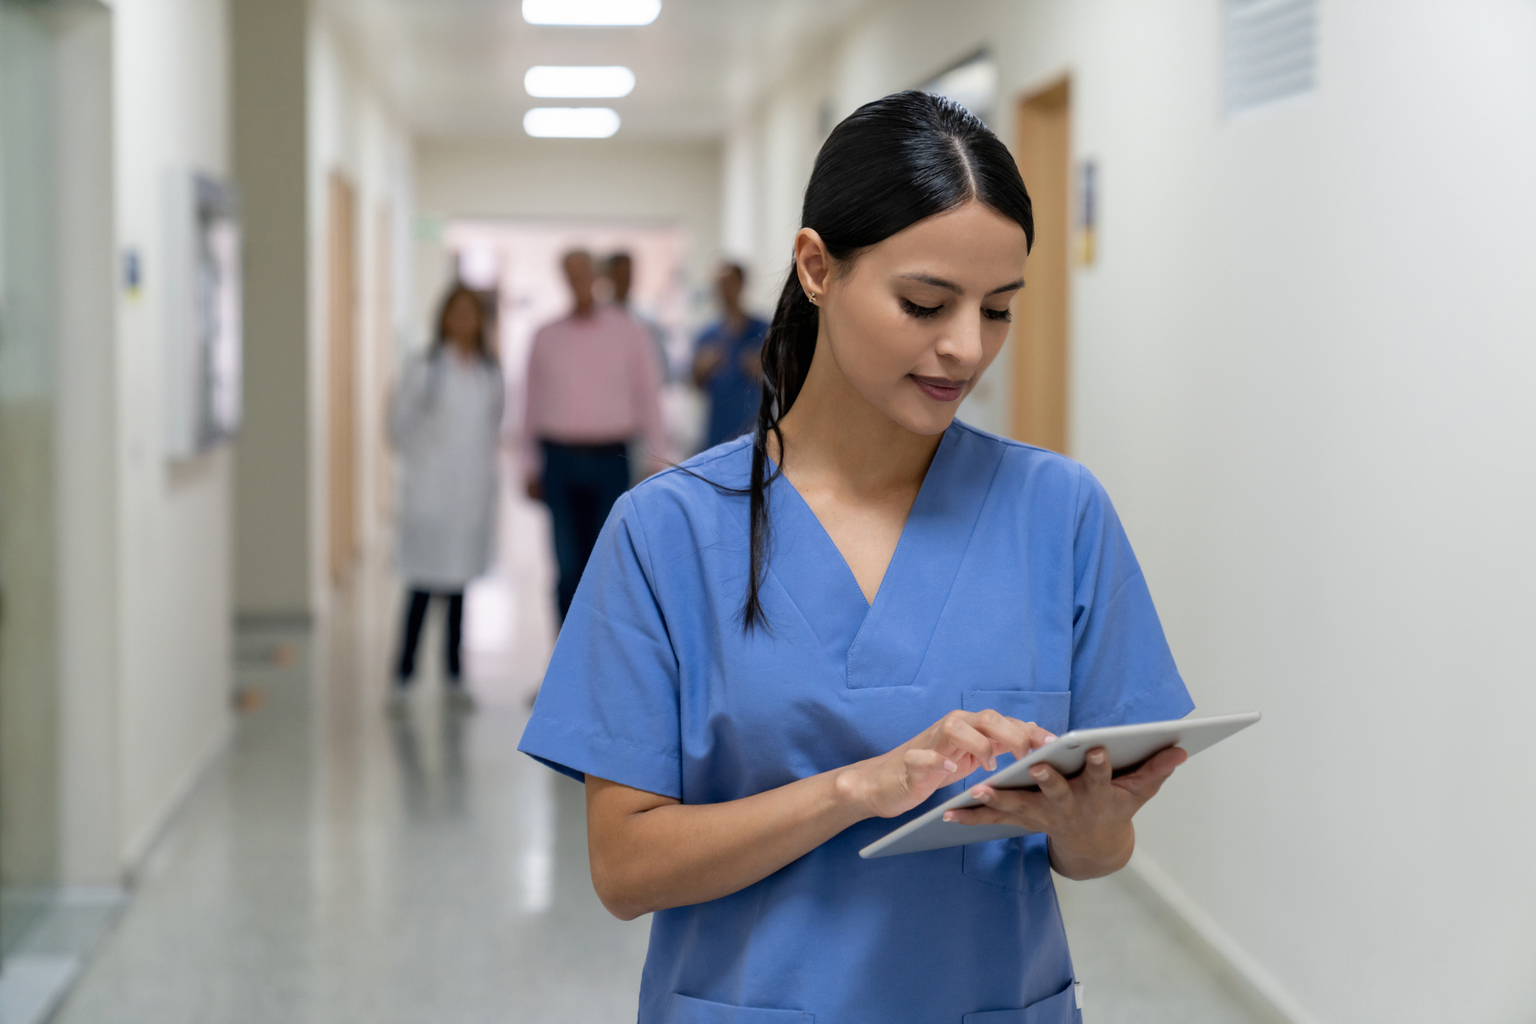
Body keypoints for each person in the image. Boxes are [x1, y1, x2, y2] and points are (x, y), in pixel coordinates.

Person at [518, 92, 1196, 1023]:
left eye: (998, 310)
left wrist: (1093, 827)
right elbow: (625, 869)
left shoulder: (1059, 513)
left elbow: (1092, 856)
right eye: (925, 303)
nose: (964, 348)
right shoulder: (666, 533)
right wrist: (853, 790)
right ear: (816, 268)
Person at [523, 249, 666, 621]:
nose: (578, 281)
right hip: (559, 460)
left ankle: (601, 669)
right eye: (570, 273)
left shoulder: (629, 332)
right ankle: (564, 669)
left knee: (608, 566)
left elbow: (649, 396)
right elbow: (529, 403)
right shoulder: (546, 335)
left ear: (596, 276)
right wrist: (527, 465)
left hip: (610, 460)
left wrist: (656, 458)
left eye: (583, 272)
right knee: (566, 567)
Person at [389, 284, 504, 713]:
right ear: (443, 319)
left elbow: (493, 426)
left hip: (469, 497)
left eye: (470, 314)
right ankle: (402, 676)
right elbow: (397, 426)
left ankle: (454, 676)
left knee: (459, 592)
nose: (463, 322)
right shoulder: (425, 369)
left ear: (480, 321)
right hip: (431, 495)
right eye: (455, 313)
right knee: (420, 588)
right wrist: (425, 468)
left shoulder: (490, 373)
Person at [691, 262, 769, 448]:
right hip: (717, 432)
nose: (724, 290)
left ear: (741, 284)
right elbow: (695, 383)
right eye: (719, 285)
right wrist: (702, 369)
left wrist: (760, 369)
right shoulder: (707, 335)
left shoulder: (762, 331)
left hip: (754, 431)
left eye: (729, 283)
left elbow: (781, 381)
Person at [605, 251, 672, 382]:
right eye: (619, 275)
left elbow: (661, 373)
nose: (624, 281)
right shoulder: (596, 323)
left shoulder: (646, 324)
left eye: (627, 275)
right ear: (608, 277)